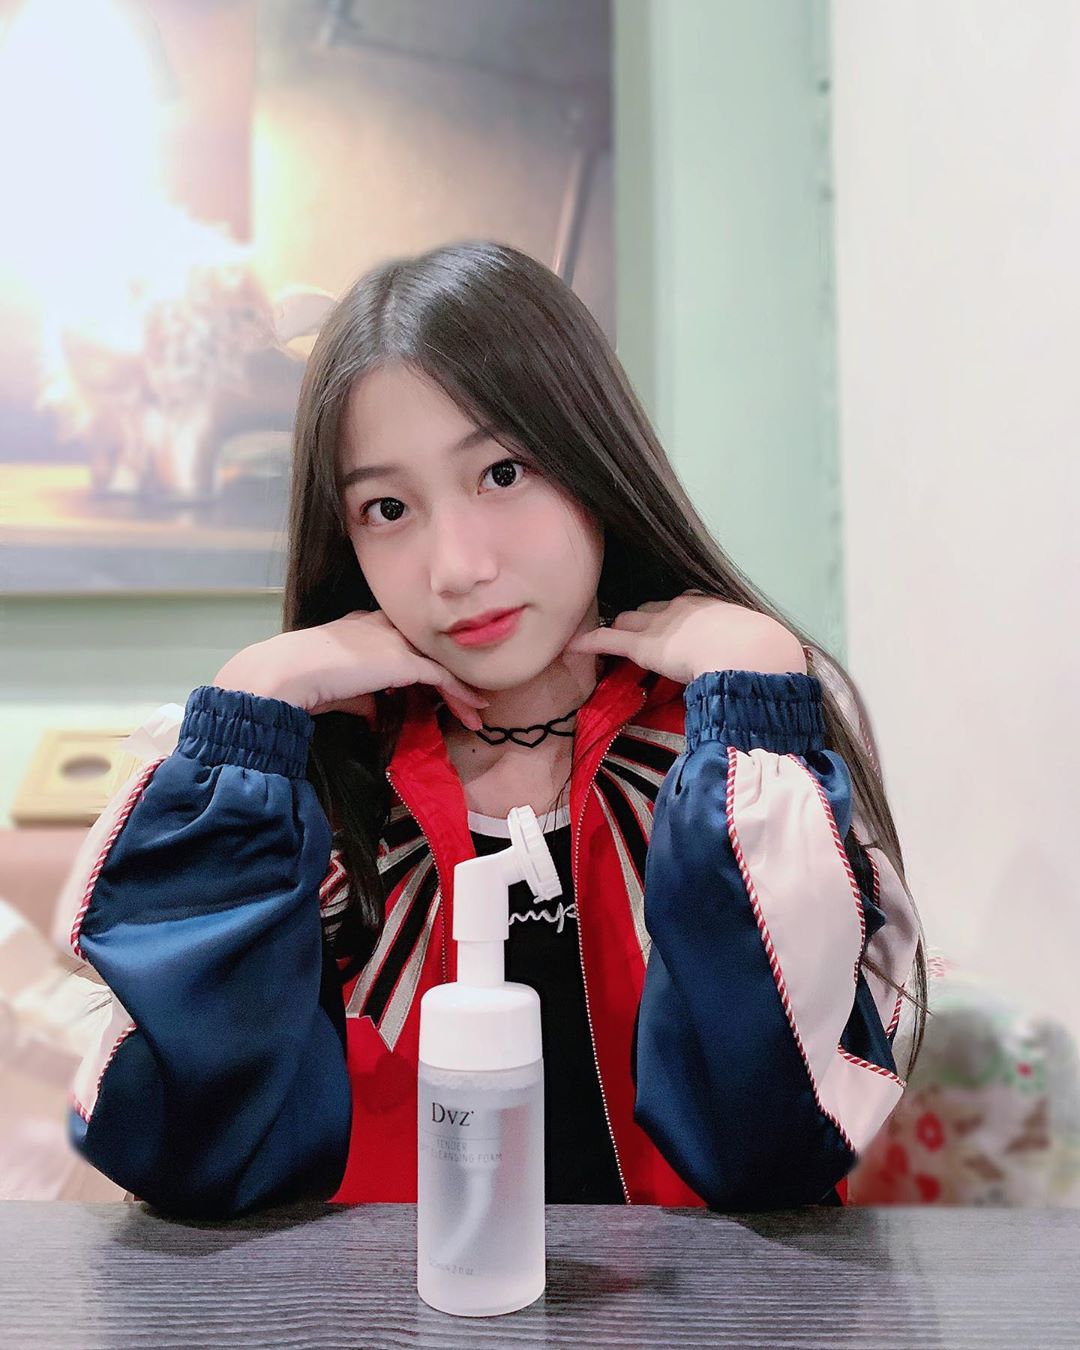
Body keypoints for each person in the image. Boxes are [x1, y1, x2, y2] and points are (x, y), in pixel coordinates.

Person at [63, 240, 926, 1220]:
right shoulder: (302, 787)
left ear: (592, 458)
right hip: (376, 1301)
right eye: (388, 507)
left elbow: (774, 1154)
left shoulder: (737, 763)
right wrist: (250, 706)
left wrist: (756, 703)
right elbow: (195, 1160)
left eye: (503, 472)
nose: (457, 567)